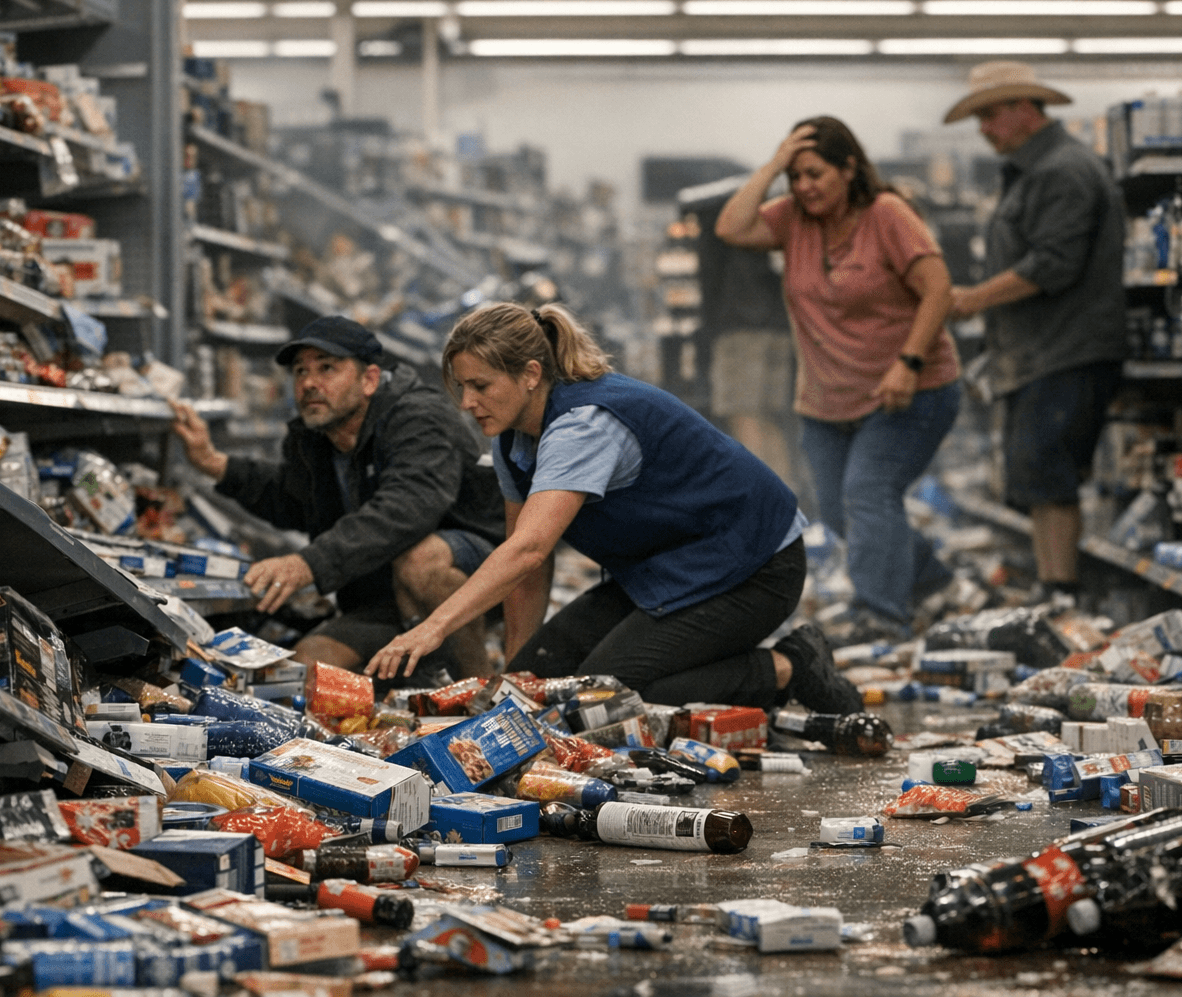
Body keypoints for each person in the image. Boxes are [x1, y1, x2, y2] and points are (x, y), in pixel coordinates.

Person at [364, 302, 861, 716]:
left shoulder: (585, 425)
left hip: (752, 564)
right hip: (664, 569)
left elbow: (529, 550)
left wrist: (434, 626)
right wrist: (517, 680)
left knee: (603, 702)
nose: (467, 403)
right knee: (545, 687)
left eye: (481, 386)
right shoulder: (512, 440)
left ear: (531, 374)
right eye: (462, 387)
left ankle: (789, 666)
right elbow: (525, 570)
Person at [715, 116, 961, 643]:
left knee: (868, 493)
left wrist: (909, 363)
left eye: (815, 174)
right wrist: (774, 164)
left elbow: (939, 289)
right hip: (827, 401)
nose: (804, 187)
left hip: (909, 390)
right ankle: (933, 580)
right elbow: (731, 227)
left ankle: (881, 617)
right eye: (796, 177)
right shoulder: (793, 220)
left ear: (850, 168)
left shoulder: (887, 214)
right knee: (839, 509)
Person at [170, 316, 505, 680]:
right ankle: (418, 675)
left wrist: (307, 564)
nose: (309, 383)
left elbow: (408, 506)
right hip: (380, 602)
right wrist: (213, 462)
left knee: (421, 558)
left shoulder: (418, 417)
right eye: (300, 372)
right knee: (300, 676)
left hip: (473, 576)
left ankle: (481, 689)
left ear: (369, 380)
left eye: (326, 368)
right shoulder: (315, 439)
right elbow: (291, 499)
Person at [944, 62, 1127, 603]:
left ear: (1025, 109)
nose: (982, 128)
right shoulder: (1038, 169)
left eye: (987, 115)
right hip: (1042, 349)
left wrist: (972, 299)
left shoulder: (1060, 171)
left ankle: (1061, 592)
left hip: (1064, 348)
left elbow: (1053, 263)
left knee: (1049, 472)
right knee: (1039, 473)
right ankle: (1054, 589)